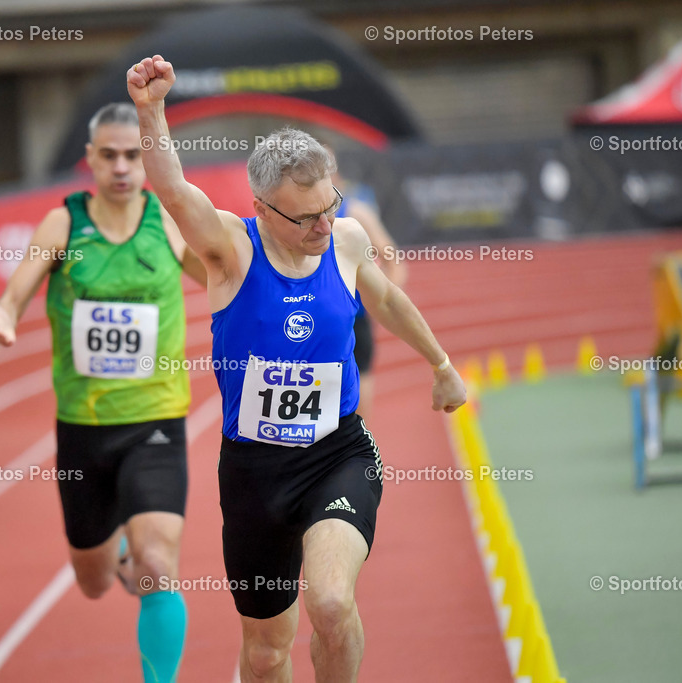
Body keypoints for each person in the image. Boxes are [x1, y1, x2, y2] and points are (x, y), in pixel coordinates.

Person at [128, 56, 466, 683]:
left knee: (332, 602)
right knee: (265, 653)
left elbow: (385, 297)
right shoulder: (230, 251)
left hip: (336, 453)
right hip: (254, 473)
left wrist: (441, 364)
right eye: (303, 217)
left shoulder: (347, 239)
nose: (321, 224)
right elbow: (173, 191)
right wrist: (151, 111)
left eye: (327, 207)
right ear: (261, 208)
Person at [0, 102, 206, 683]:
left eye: (134, 155)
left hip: (156, 419)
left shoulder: (167, 220)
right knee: (94, 580)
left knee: (159, 566)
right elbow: (17, 291)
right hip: (82, 428)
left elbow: (219, 274)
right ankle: (118, 554)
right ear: (90, 160)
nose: (123, 167)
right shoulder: (66, 225)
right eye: (109, 156)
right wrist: (4, 315)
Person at [327, 153, 408, 423]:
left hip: (354, 324)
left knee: (356, 419)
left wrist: (382, 300)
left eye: (327, 166)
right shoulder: (293, 217)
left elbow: (394, 262)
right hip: (313, 324)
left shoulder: (356, 211)